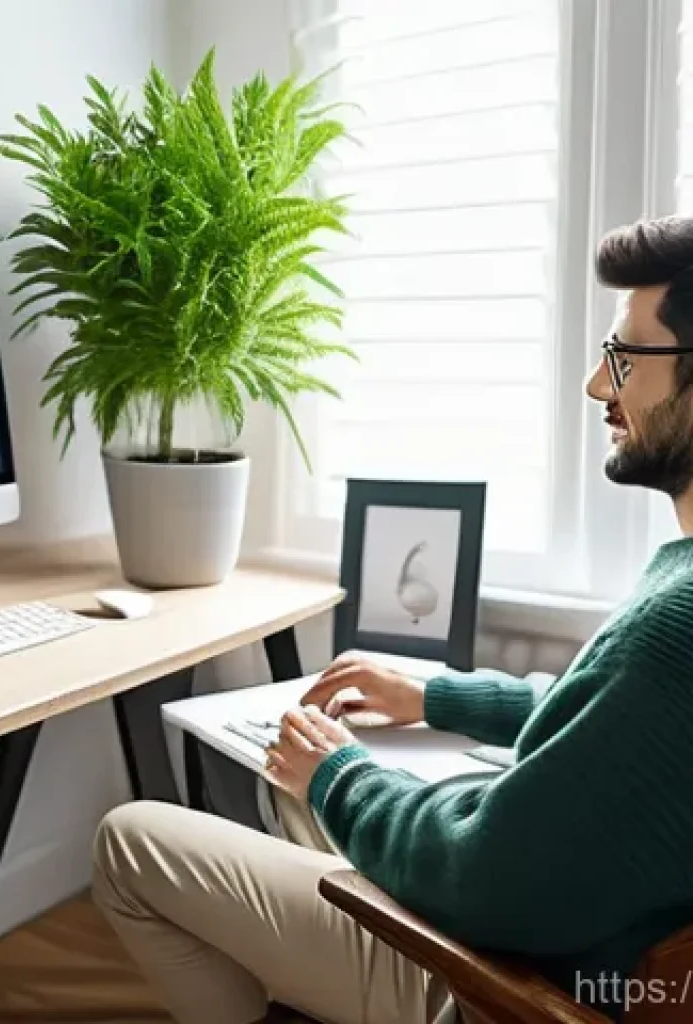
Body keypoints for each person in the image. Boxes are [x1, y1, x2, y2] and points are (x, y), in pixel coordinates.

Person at [91, 216, 693, 1024]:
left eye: (624, 355)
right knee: (306, 786)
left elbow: (488, 881)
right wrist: (437, 698)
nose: (597, 384)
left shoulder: (678, 627)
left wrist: (344, 774)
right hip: (593, 944)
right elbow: (614, 725)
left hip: (516, 990)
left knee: (133, 840)